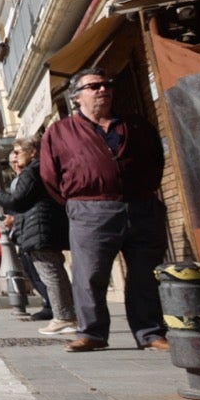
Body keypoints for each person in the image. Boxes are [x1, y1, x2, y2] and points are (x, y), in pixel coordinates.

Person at [40, 66, 170, 353]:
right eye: (94, 86)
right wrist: (79, 201)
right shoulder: (59, 132)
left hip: (141, 206)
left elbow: (156, 160)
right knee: (90, 274)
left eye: (107, 85)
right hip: (90, 210)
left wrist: (143, 191)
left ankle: (151, 333)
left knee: (144, 273)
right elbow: (50, 176)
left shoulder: (135, 125)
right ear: (76, 98)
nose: (103, 90)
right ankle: (92, 333)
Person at [0, 136, 75, 334]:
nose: (14, 156)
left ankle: (63, 317)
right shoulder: (43, 170)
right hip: (44, 227)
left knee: (50, 274)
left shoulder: (31, 172)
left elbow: (18, 200)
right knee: (55, 272)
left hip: (38, 229)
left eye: (17, 151)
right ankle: (67, 315)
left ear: (32, 152)